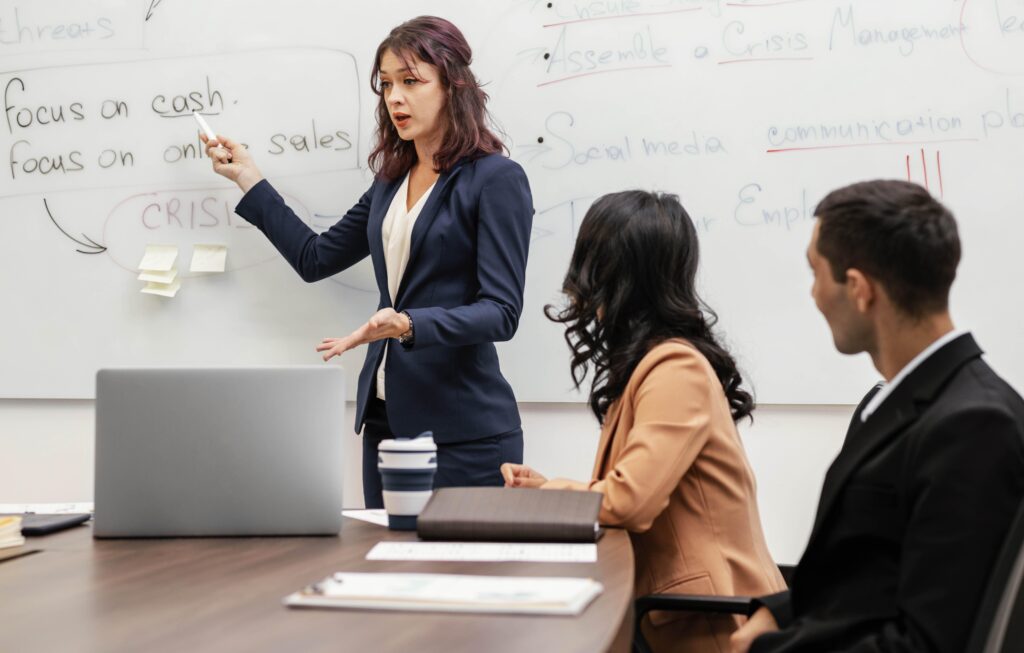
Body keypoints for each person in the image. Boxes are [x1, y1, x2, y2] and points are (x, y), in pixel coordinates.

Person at [202, 16, 533, 508]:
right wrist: (249, 178)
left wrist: (407, 324)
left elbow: (501, 312)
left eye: (411, 82)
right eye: (386, 85)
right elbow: (314, 258)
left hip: (464, 435)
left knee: (457, 582)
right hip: (386, 422)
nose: (394, 98)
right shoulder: (389, 184)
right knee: (387, 576)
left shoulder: (495, 179)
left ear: (453, 85)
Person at [731, 180, 1024, 653]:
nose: (813, 294)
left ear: (860, 289)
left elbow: (929, 642)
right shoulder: (904, 400)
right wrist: (778, 609)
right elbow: (869, 572)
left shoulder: (974, 426)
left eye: (816, 273)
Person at [501, 191, 786, 652]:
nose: (577, 282)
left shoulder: (677, 368)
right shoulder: (651, 361)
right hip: (673, 612)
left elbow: (630, 501)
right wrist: (547, 488)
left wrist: (548, 495)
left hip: (715, 625)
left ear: (617, 273)